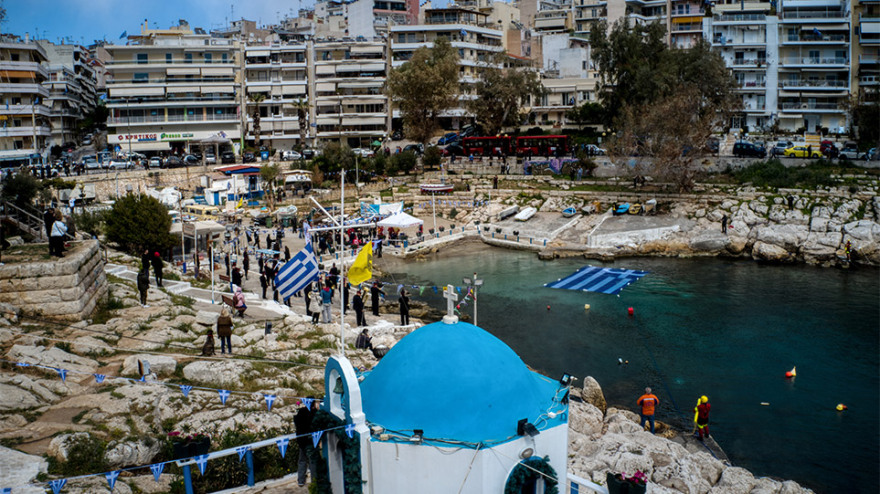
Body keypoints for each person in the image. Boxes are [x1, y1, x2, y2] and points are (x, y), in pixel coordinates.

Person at [294, 398, 319, 486]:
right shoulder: (314, 413)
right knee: (313, 462)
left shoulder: (301, 412)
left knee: (302, 461)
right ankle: (314, 481)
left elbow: (296, 421)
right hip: (311, 441)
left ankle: (301, 480)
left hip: (301, 441)